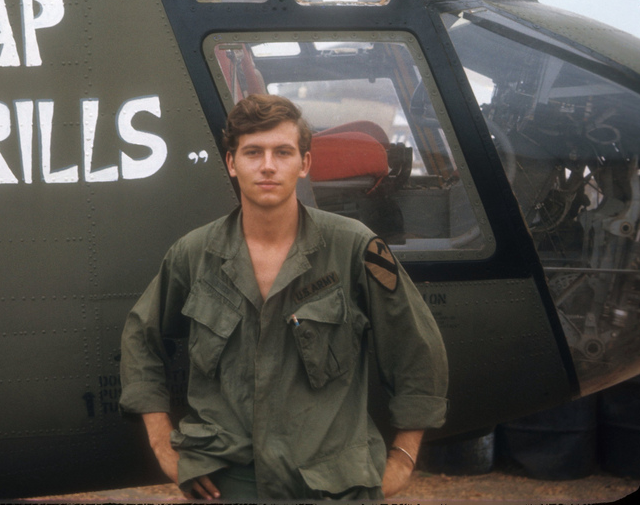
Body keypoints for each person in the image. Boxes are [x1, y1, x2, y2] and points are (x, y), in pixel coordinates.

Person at [119, 94, 448, 500]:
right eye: (253, 152)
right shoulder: (194, 254)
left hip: (330, 487)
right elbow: (141, 338)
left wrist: (403, 456)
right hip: (231, 483)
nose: (268, 166)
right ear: (231, 163)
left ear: (304, 163)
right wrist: (162, 444)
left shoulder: (352, 248)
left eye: (283, 152)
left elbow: (418, 351)